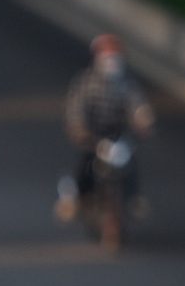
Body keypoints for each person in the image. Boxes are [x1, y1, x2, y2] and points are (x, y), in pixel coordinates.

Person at [57, 34, 155, 220]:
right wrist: (77, 127)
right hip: (93, 135)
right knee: (85, 165)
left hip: (119, 134)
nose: (111, 61)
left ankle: (134, 199)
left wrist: (143, 121)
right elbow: (75, 106)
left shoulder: (127, 83)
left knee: (129, 164)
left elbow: (138, 105)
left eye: (115, 56)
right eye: (107, 56)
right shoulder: (85, 81)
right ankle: (75, 198)